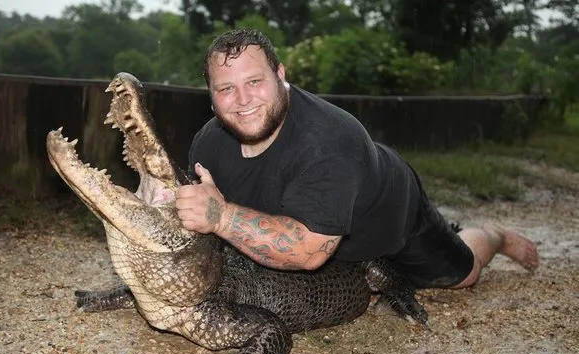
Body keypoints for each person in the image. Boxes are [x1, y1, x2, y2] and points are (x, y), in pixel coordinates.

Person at [175, 28, 539, 295]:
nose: (242, 99)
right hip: (306, 206)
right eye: (226, 89)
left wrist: (220, 216)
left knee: (463, 274)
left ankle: (493, 234)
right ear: (211, 97)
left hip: (388, 213)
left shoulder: (330, 142)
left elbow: (306, 251)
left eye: (255, 81)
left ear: (281, 77)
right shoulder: (208, 143)